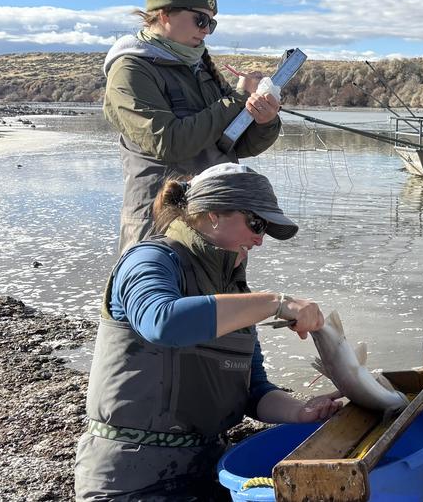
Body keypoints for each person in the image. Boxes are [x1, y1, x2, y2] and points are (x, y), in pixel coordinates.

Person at [75, 163, 341, 500]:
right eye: (256, 223)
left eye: (266, 230)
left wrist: (300, 411)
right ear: (213, 212)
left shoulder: (239, 296)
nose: (259, 239)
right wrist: (277, 303)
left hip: (209, 470)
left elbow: (254, 391)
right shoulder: (150, 260)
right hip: (129, 479)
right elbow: (162, 321)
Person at [103, 0, 281, 252]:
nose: (205, 31)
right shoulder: (131, 69)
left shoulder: (199, 66)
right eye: (200, 20)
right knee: (162, 299)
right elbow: (169, 142)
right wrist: (237, 99)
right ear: (164, 13)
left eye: (211, 24)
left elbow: (234, 143)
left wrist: (264, 120)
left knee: (224, 299)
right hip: (161, 223)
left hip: (217, 220)